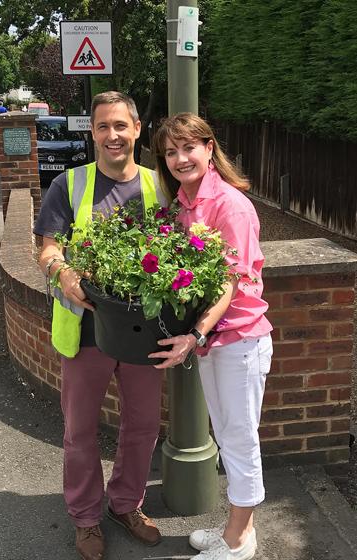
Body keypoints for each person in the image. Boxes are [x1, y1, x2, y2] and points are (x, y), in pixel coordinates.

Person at [34, 91, 169, 560]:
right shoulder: (67, 186)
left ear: (137, 129)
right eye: (103, 127)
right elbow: (48, 249)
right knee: (80, 431)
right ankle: (86, 517)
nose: (113, 135)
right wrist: (63, 272)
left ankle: (126, 503)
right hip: (86, 333)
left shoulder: (160, 187)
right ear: (92, 133)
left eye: (121, 126)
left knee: (144, 425)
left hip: (144, 334)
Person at [150, 113, 273, 560]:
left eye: (188, 148)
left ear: (208, 147)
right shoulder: (184, 202)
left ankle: (239, 542)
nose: (180, 158)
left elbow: (230, 282)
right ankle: (236, 530)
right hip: (214, 340)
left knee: (239, 441)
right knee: (228, 436)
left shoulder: (230, 206)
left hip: (237, 340)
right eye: (170, 151)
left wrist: (195, 335)